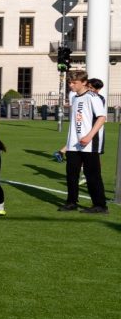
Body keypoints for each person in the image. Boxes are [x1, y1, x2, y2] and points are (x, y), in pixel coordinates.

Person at [60, 71, 108, 213]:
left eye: (74, 83)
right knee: (71, 174)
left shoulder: (93, 97)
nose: (71, 85)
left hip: (89, 144)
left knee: (92, 175)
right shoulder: (74, 97)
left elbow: (101, 118)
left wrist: (89, 136)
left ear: (84, 82)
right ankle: (71, 202)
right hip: (73, 144)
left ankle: (100, 205)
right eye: (70, 82)